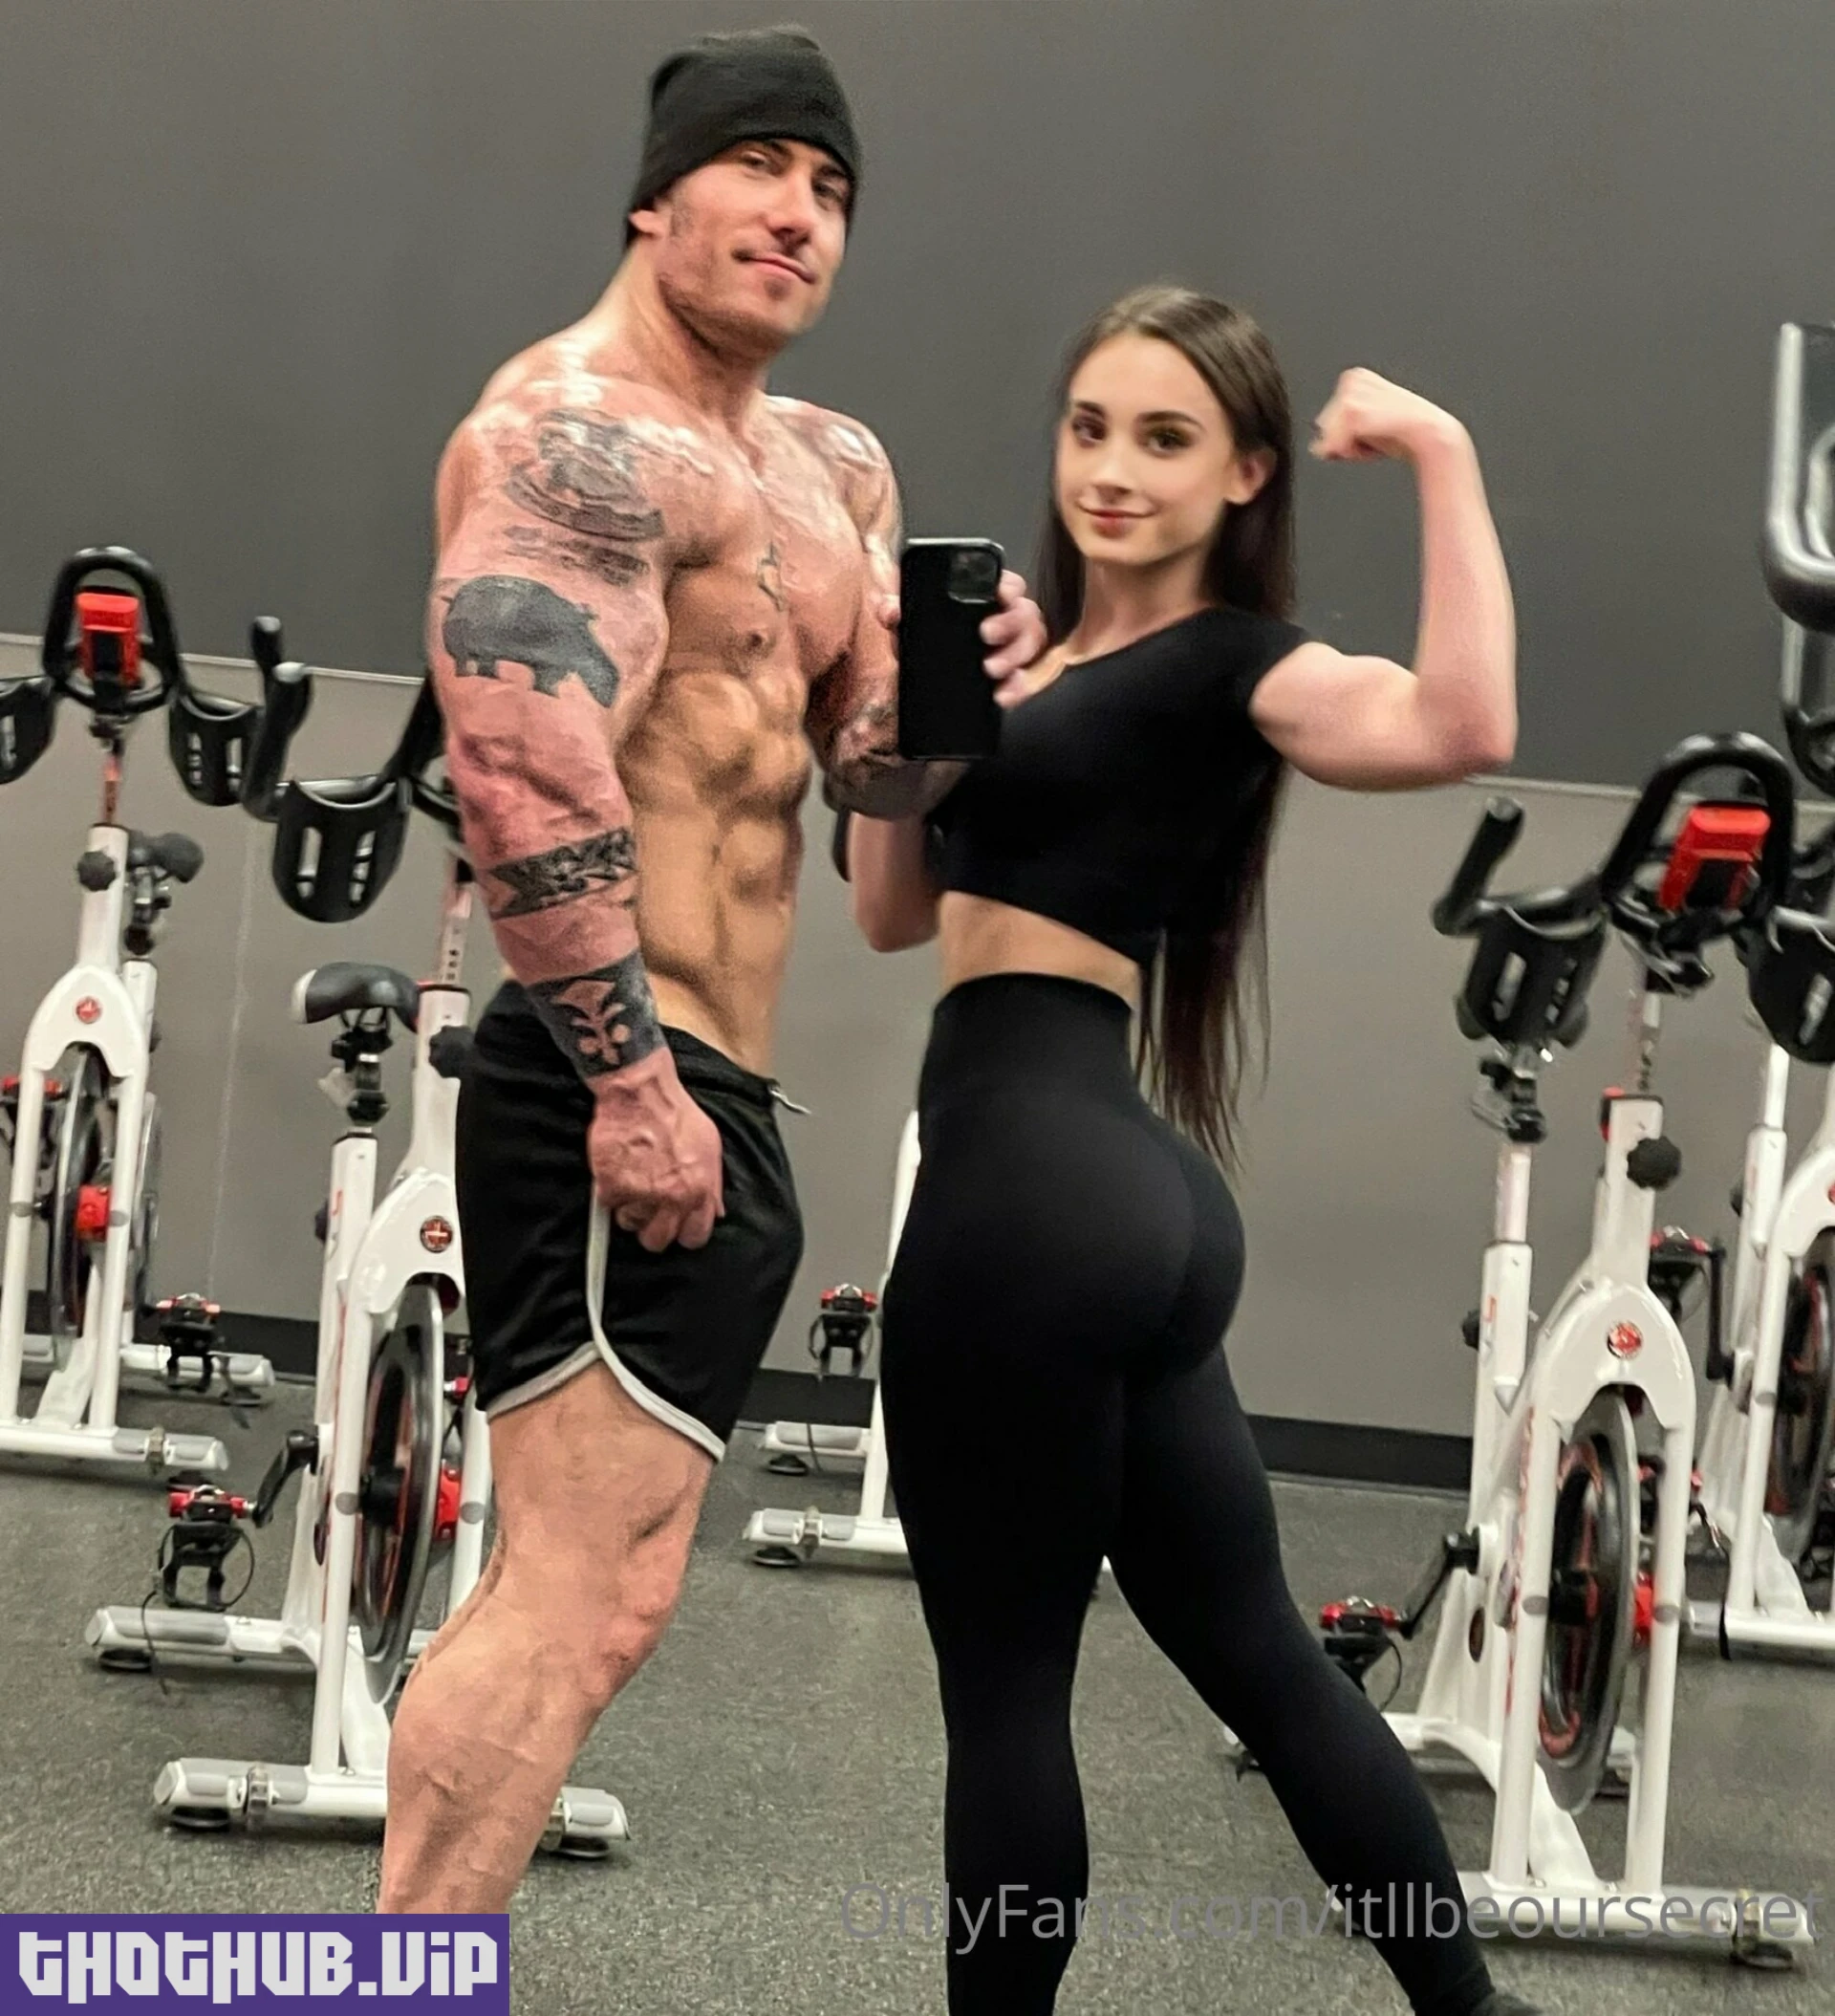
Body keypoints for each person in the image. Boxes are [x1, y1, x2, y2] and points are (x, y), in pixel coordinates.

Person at [378, 25, 1044, 1912]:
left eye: (831, 186)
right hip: (616, 1080)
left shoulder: (832, 468)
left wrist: (964, 682)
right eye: (759, 166)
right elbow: (520, 760)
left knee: (618, 1597)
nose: (799, 213)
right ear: (653, 199)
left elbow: (865, 782)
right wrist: (625, 1082)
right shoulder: (573, 434)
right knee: (565, 1598)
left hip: (721, 1085)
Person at [845, 285, 1537, 2016]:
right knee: (1268, 1665)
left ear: (1244, 473)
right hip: (1122, 1201)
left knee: (1007, 1701)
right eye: (1090, 428)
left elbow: (1463, 724)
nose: (1113, 468)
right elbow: (888, 913)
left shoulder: (1238, 663)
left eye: (1165, 439)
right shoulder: (1023, 667)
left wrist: (1441, 452)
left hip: (1032, 1199)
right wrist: (906, 732)